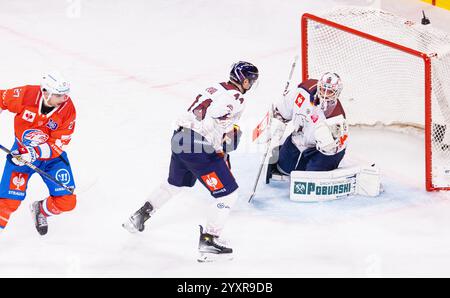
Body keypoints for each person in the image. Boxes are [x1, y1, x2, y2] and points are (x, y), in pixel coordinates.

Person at [123, 61, 259, 262]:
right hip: (197, 146)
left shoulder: (215, 87)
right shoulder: (236, 97)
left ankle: (138, 217)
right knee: (228, 194)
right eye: (251, 81)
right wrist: (224, 140)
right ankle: (209, 241)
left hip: (179, 139)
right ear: (245, 80)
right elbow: (218, 115)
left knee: (174, 184)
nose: (251, 85)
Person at [0, 71, 77, 235]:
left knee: (67, 201)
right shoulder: (26, 95)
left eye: (65, 95)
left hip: (51, 159)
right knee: (7, 204)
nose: (64, 99)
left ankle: (40, 210)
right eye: (58, 95)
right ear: (45, 92)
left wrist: (33, 154)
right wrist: (27, 154)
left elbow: (58, 144)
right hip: (20, 155)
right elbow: (2, 99)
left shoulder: (68, 110)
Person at [266, 72, 348, 182]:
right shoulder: (303, 91)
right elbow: (281, 111)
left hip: (318, 152)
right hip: (298, 141)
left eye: (330, 91)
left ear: (337, 92)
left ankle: (320, 168)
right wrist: (277, 126)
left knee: (311, 180)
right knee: (284, 169)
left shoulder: (336, 116)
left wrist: (328, 145)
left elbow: (339, 146)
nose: (325, 94)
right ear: (319, 86)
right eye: (323, 89)